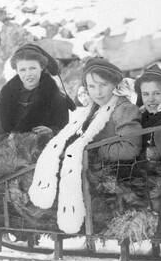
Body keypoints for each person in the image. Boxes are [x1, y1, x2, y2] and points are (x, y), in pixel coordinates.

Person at [28, 57, 142, 233]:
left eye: (103, 85)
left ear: (115, 84)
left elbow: (129, 148)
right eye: (92, 86)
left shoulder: (123, 109)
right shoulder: (93, 109)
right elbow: (82, 136)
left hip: (110, 173)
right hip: (91, 166)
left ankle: (38, 218)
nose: (97, 92)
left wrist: (93, 150)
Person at [0, 43, 72, 147]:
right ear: (17, 71)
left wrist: (52, 133)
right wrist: (7, 141)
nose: (28, 74)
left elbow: (66, 135)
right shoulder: (4, 99)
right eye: (22, 70)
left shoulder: (58, 99)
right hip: (12, 157)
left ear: (41, 67)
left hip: (46, 157)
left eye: (32, 68)